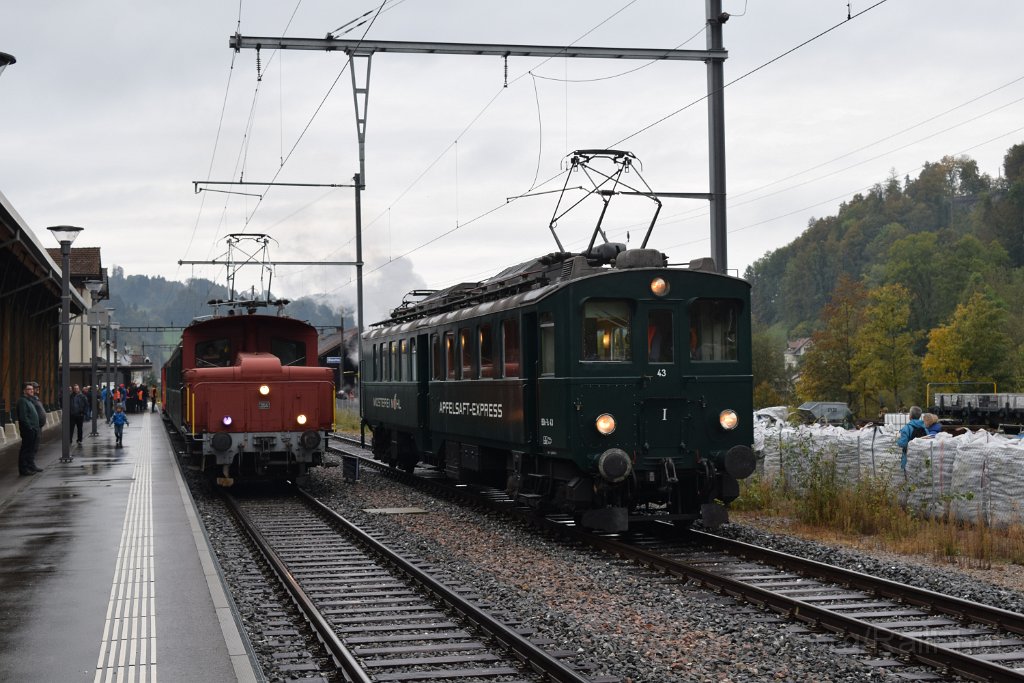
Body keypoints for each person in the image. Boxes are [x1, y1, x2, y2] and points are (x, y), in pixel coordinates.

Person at [16, 382, 42, 475]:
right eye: (29, 389)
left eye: (32, 389)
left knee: (31, 449)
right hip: (28, 430)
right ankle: (24, 469)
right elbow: (23, 417)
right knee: (26, 449)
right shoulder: (22, 401)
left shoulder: (29, 400)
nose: (32, 391)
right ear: (24, 391)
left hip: (34, 429)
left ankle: (29, 466)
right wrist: (30, 427)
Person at [896, 406, 927, 471]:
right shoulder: (925, 428)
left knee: (908, 476)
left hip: (909, 457)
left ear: (910, 416)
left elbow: (903, 444)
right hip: (922, 456)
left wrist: (897, 440)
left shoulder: (907, 428)